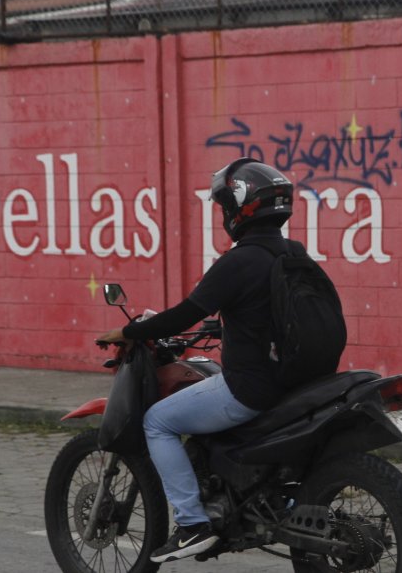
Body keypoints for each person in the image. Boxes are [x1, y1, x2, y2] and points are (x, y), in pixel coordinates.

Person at [96, 158, 294, 564]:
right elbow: (267, 315)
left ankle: (192, 525)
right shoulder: (295, 256)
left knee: (159, 422)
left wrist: (128, 332)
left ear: (240, 208)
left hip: (249, 387)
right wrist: (225, 327)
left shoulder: (238, 262)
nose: (224, 214)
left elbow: (184, 313)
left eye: (226, 207)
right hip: (293, 382)